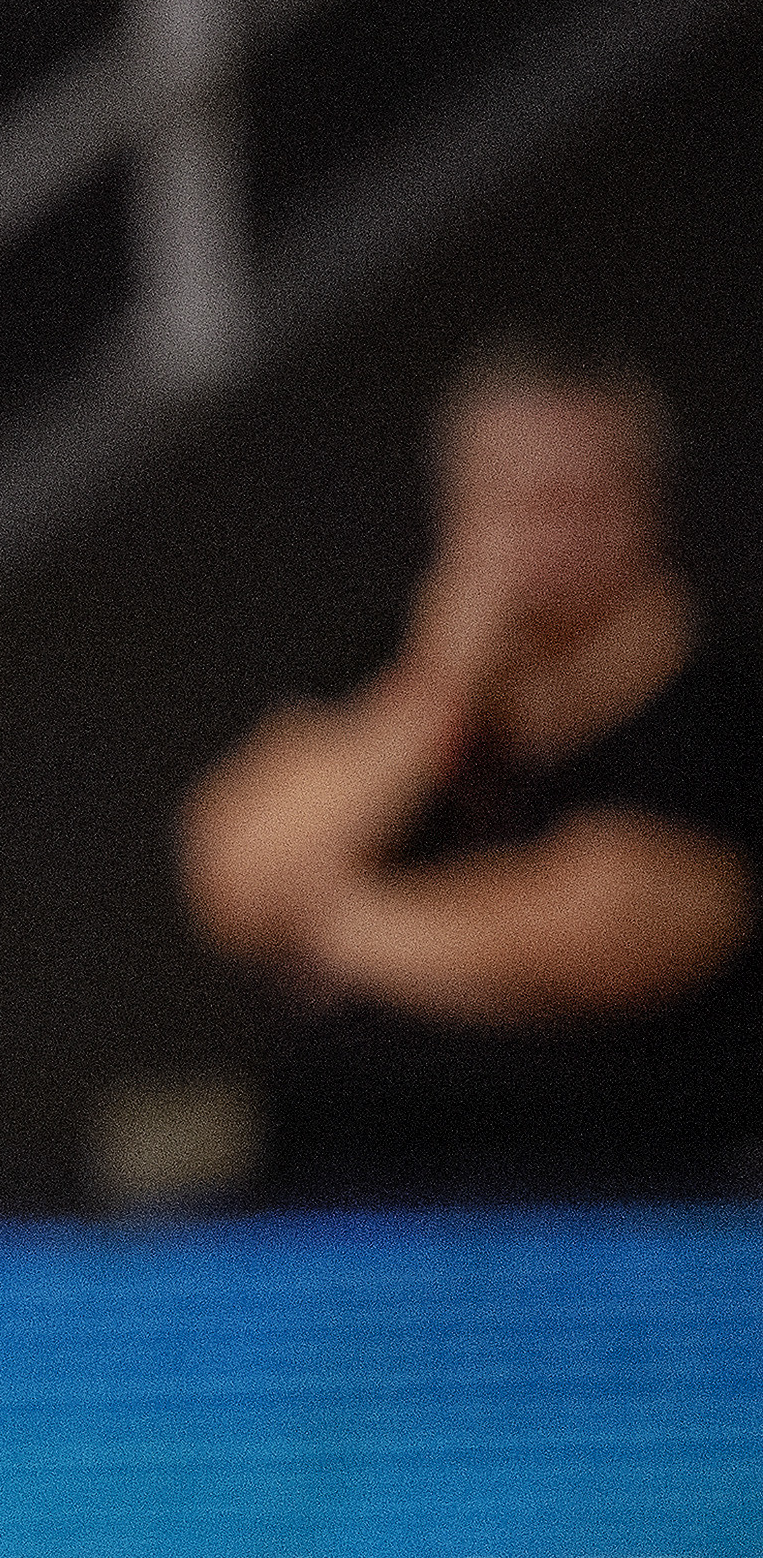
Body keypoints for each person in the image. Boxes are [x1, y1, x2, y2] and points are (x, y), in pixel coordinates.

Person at [178, 334, 757, 1199]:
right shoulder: (389, 677)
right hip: (342, 1233)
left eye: (581, 500)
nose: (550, 537)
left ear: (646, 511)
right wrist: (434, 695)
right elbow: (235, 878)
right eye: (517, 502)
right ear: (456, 514)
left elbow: (605, 933)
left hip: (641, 1237)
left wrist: (332, 925)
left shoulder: (723, 710)